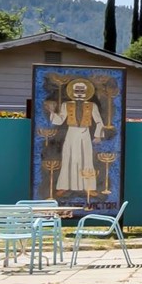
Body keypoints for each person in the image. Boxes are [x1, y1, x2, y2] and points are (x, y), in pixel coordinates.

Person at [46, 76, 110, 204]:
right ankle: (65, 186)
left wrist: (98, 136)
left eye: (82, 91)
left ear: (86, 92)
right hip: (71, 132)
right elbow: (59, 120)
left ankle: (89, 187)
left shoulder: (92, 106)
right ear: (73, 91)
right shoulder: (66, 105)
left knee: (86, 158)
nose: (79, 93)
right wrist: (53, 112)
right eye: (77, 90)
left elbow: (99, 121)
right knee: (68, 158)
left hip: (85, 133)